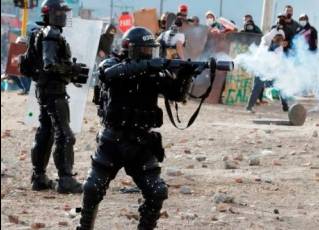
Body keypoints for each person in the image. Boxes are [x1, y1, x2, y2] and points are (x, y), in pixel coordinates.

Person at [77, 26, 200, 230]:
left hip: (141, 144)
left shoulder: (153, 73)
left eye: (149, 50)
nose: (147, 54)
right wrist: (148, 65)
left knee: (157, 191)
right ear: (130, 48)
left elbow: (177, 95)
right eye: (143, 50)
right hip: (112, 142)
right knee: (92, 188)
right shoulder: (112, 63)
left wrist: (185, 75)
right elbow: (109, 75)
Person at [29, 0, 85, 194]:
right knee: (65, 134)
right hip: (54, 92)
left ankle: (39, 177)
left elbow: (30, 66)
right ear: (53, 13)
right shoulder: (51, 34)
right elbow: (50, 64)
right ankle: (66, 179)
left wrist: (70, 73)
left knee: (46, 131)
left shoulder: (38, 33)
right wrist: (72, 69)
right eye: (62, 12)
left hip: (44, 89)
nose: (64, 16)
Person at [247, 30, 288, 113]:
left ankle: (285, 106)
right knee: (257, 88)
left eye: (280, 38)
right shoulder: (265, 42)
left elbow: (277, 60)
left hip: (273, 71)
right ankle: (249, 107)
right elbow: (265, 52)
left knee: (280, 87)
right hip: (261, 69)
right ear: (273, 37)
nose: (279, 40)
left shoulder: (279, 48)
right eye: (277, 38)